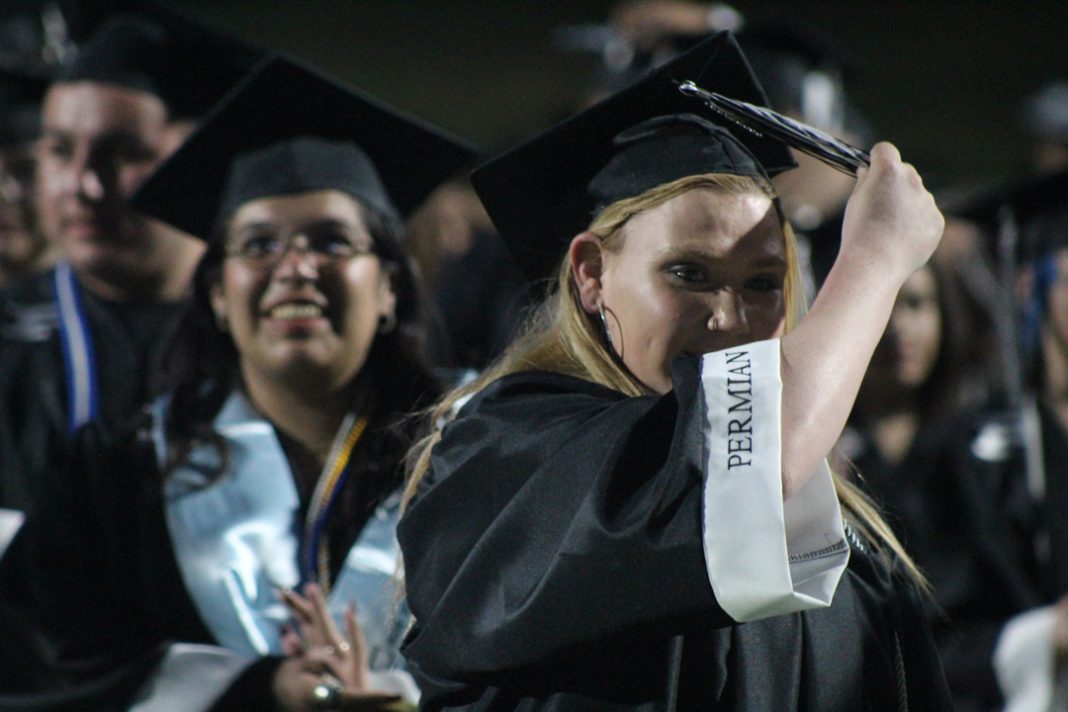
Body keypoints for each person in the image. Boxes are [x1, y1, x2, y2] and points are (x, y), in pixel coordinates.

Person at [398, 32, 952, 710]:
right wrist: (876, 258)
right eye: (688, 274)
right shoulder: (507, 452)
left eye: (762, 283)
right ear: (591, 274)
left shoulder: (845, 536)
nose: (729, 318)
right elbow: (740, 470)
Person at [0, 54, 473, 710]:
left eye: (333, 243)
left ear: (389, 285)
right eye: (257, 246)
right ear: (218, 291)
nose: (295, 269)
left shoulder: (480, 451)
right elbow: (34, 662)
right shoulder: (123, 472)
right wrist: (256, 689)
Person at [0, 13, 259, 512]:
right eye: (59, 150)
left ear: (202, 157)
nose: (83, 186)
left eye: (121, 154)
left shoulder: (270, 334)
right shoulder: (10, 341)